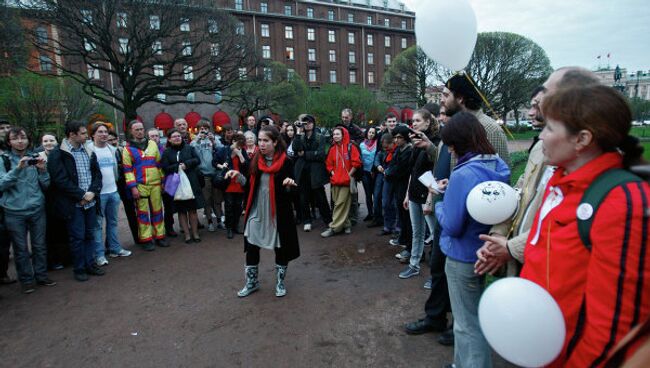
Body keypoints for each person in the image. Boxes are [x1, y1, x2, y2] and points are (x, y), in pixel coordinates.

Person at [519, 85, 649, 367]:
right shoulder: (561, 181)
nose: (540, 135)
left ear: (582, 139)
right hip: (542, 348)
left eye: (549, 128)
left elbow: (614, 329)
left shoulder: (622, 203)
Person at [475, 67, 602, 276]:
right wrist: (499, 235)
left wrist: (510, 247)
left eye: (540, 102)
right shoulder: (540, 149)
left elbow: (560, 230)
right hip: (528, 261)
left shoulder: (590, 174)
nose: (534, 111)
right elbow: (520, 191)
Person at [435, 112, 510, 368]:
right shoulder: (497, 165)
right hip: (485, 249)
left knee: (467, 324)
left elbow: (453, 225)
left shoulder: (463, 174)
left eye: (452, 144)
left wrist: (437, 203)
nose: (451, 151)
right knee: (470, 317)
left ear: (460, 142)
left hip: (461, 254)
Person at [233, 126, 300, 298]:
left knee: (280, 248)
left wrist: (288, 186)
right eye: (260, 140)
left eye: (265, 141)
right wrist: (238, 177)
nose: (261, 144)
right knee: (252, 247)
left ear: (275, 142)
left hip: (277, 213)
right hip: (257, 211)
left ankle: (280, 282)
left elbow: (293, 193)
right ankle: (252, 283)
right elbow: (250, 185)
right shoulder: (256, 159)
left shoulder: (286, 162)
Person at [48, 121, 106, 282]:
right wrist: (81, 195)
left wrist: (92, 193)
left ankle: (90, 264)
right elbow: (60, 180)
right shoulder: (58, 153)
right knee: (77, 237)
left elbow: (97, 174)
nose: (86, 136)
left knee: (90, 234)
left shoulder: (88, 150)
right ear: (72, 135)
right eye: (82, 133)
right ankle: (79, 268)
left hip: (90, 201)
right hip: (73, 204)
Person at [0, 127, 55, 293]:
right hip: (14, 211)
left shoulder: (34, 157)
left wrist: (43, 170)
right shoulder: (4, 160)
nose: (20, 141)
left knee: (39, 246)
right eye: (15, 138)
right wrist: (18, 169)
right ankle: (26, 280)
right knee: (21, 248)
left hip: (37, 208)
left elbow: (45, 184)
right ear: (9, 142)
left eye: (23, 137)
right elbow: (2, 184)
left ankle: (41, 275)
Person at [399, 109, 441, 279]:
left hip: (429, 196)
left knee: (435, 235)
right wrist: (407, 194)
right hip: (415, 193)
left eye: (417, 120)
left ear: (427, 122)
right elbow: (413, 171)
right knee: (417, 232)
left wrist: (430, 199)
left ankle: (435, 275)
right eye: (413, 121)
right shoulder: (416, 143)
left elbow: (437, 172)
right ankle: (414, 264)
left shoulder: (436, 143)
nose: (414, 123)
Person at [87, 123, 132, 267]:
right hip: (98, 195)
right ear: (92, 135)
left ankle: (114, 248)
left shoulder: (113, 150)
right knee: (97, 226)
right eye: (100, 132)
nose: (103, 134)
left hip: (113, 191)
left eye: (105, 132)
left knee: (113, 222)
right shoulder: (88, 150)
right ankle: (99, 255)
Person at [442, 74, 511, 167]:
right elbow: (449, 163)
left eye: (446, 95)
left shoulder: (491, 130)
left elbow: (499, 175)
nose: (442, 100)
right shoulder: (453, 126)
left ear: (460, 98)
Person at [123, 120, 168, 250]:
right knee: (142, 213)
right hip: (140, 185)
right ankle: (146, 239)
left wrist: (163, 181)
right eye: (136, 129)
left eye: (141, 129)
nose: (140, 131)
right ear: (131, 131)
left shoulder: (153, 144)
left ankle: (160, 236)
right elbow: (127, 170)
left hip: (155, 184)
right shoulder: (127, 149)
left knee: (158, 211)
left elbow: (159, 164)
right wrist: (133, 187)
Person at [161, 129, 204, 243]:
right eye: (174, 136)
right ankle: (187, 235)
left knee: (192, 210)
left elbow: (197, 160)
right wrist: (177, 166)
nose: (177, 138)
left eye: (178, 136)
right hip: (176, 184)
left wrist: (187, 164)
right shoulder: (167, 152)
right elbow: (165, 168)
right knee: (181, 211)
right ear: (169, 139)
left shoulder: (189, 148)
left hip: (191, 182)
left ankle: (195, 233)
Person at [292, 114, 332, 232]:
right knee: (303, 197)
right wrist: (298, 132)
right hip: (303, 172)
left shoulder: (320, 137)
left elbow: (320, 155)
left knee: (320, 197)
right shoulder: (301, 136)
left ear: (313, 124)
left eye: (309, 122)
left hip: (316, 172)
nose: (307, 124)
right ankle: (307, 221)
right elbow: (295, 148)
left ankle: (328, 220)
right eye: (305, 123)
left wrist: (304, 154)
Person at [321, 127, 361, 238]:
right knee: (340, 203)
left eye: (338, 134)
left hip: (346, 181)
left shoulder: (351, 147)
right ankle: (346, 224)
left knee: (339, 204)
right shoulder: (332, 149)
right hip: (335, 181)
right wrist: (333, 173)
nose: (335, 136)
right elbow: (328, 164)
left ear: (343, 135)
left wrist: (349, 175)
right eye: (334, 134)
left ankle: (334, 228)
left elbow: (356, 163)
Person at [39, 133, 71, 271]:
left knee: (64, 229)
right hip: (45, 198)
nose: (48, 143)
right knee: (49, 231)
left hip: (61, 196)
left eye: (51, 140)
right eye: (45, 141)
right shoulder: (38, 157)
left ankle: (66, 258)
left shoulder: (62, 155)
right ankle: (52, 260)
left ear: (57, 142)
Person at [385, 125, 413, 262]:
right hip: (398, 186)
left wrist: (389, 172)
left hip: (405, 186)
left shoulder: (409, 150)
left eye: (399, 137)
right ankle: (403, 239)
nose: (396, 140)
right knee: (401, 214)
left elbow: (400, 169)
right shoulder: (399, 150)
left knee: (406, 217)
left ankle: (408, 244)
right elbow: (393, 165)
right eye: (395, 137)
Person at [191, 119, 224, 232]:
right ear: (198, 130)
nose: (203, 131)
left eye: (205, 128)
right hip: (204, 174)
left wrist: (214, 140)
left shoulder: (214, 139)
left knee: (217, 199)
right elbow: (192, 150)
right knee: (207, 200)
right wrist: (198, 139)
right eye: (201, 129)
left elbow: (221, 150)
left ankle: (219, 220)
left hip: (215, 173)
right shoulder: (195, 141)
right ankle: (210, 221)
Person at [218, 133, 248, 239]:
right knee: (229, 206)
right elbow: (215, 161)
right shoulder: (225, 150)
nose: (238, 146)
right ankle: (229, 228)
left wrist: (240, 155)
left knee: (238, 207)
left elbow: (246, 166)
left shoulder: (242, 151)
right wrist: (227, 160)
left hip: (239, 182)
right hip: (229, 183)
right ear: (233, 141)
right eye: (237, 143)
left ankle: (235, 226)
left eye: (241, 144)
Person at [367, 133, 393, 229]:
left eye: (386, 147)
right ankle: (377, 218)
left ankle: (390, 223)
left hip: (389, 175)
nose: (385, 149)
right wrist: (378, 166)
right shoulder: (382, 148)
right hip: (380, 174)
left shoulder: (395, 150)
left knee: (388, 200)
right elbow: (377, 158)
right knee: (377, 195)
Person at [360, 127, 378, 222]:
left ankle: (377, 213)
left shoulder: (377, 144)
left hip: (375, 172)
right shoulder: (362, 145)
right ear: (367, 133)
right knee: (368, 194)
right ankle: (370, 213)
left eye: (373, 133)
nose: (371, 134)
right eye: (369, 132)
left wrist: (374, 169)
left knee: (376, 194)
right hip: (365, 173)